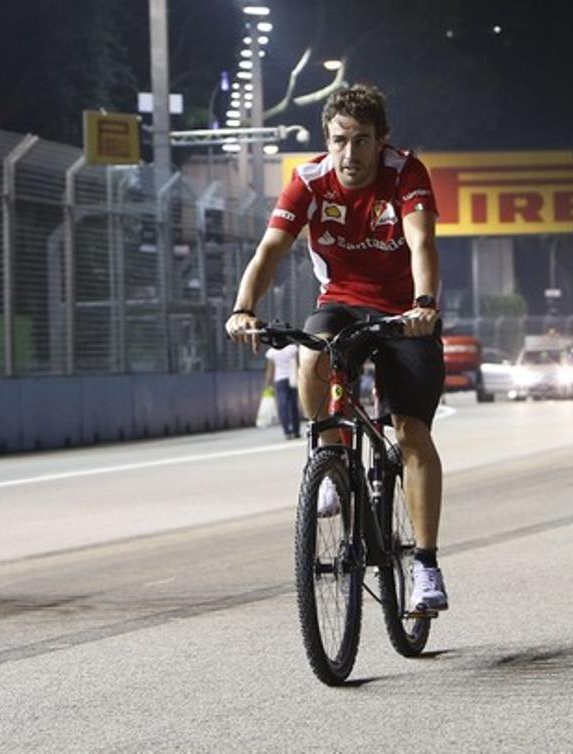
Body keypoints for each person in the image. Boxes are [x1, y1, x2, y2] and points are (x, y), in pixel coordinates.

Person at [225, 84, 449, 611]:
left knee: (411, 432)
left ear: (382, 141)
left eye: (362, 141)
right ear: (327, 140)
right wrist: (242, 309)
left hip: (403, 312)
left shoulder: (406, 173)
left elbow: (422, 242)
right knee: (312, 349)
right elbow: (269, 251)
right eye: (339, 141)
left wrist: (423, 304)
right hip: (341, 301)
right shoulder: (308, 180)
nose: (349, 155)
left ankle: (426, 565)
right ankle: (330, 457)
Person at [264, 343, 302, 439]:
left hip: (280, 380)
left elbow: (270, 370)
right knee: (293, 405)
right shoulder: (293, 348)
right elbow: (298, 365)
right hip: (292, 378)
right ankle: (296, 431)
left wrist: (268, 384)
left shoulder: (272, 351)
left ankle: (287, 431)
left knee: (282, 405)